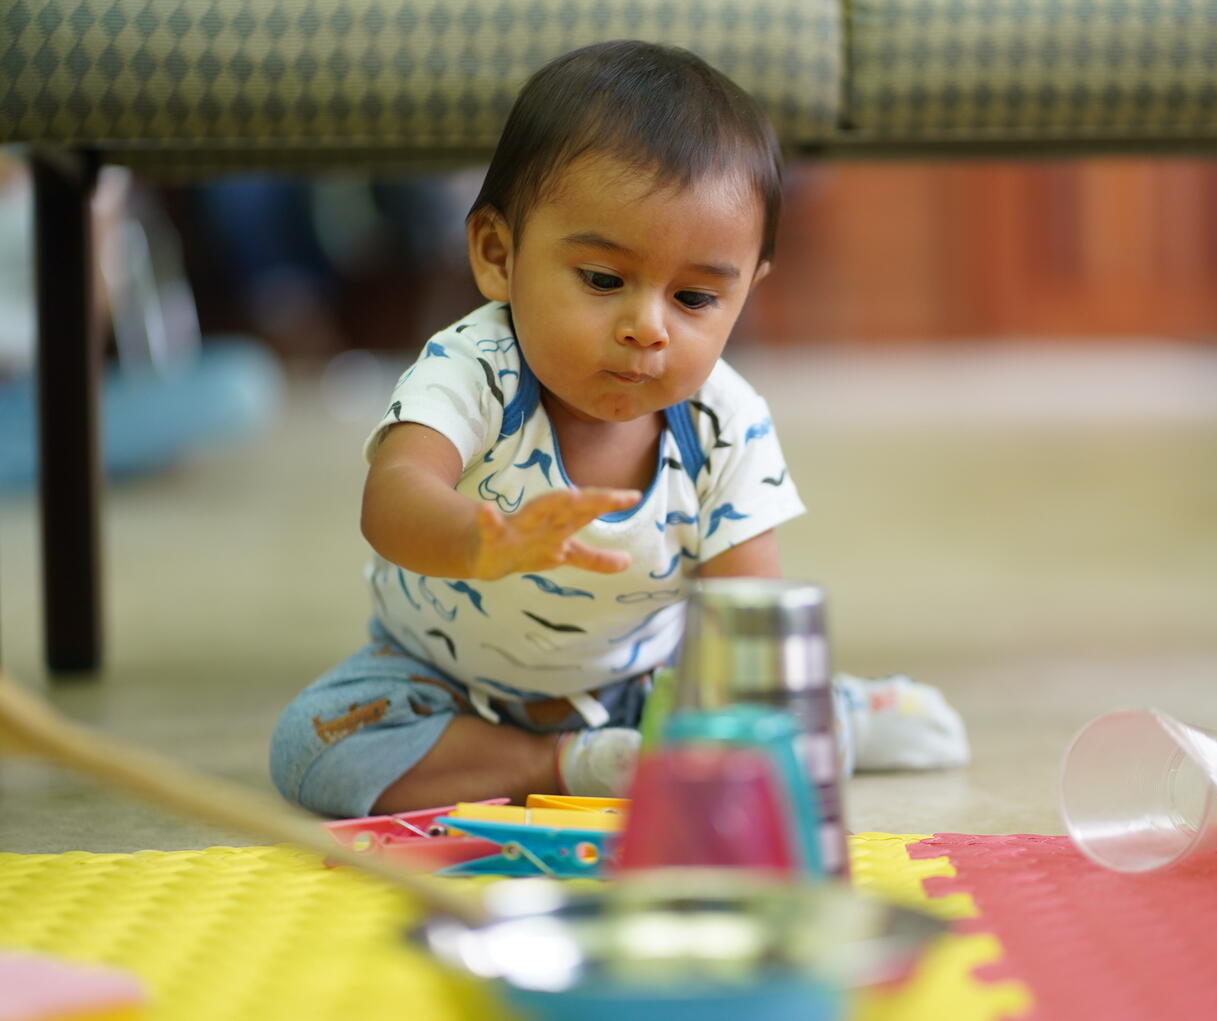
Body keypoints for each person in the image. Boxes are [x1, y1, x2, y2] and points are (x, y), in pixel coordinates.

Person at [269, 40, 966, 819]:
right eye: (603, 280)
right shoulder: (476, 367)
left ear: (745, 295)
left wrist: (750, 718)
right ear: (499, 255)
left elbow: (747, 610)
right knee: (313, 744)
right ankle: (572, 764)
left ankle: (844, 713)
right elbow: (392, 497)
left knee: (761, 722)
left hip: (647, 687)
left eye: (696, 299)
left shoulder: (723, 421)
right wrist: (480, 539)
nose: (647, 327)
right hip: (437, 682)